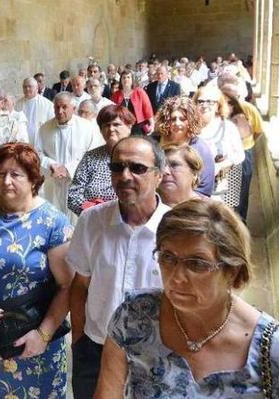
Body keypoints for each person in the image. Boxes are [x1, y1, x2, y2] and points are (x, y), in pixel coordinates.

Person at [95, 199, 279, 398]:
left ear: (232, 270)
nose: (177, 276)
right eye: (168, 258)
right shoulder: (134, 317)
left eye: (197, 264)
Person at [0, 143, 74, 398]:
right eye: (0, 174)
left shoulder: (52, 222)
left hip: (33, 339)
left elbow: (68, 286)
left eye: (16, 174)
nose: (6, 181)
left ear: (33, 180)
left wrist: (42, 335)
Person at [66, 136, 171, 399]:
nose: (125, 176)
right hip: (96, 350)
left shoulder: (175, 229)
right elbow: (79, 287)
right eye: (117, 167)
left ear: (159, 175)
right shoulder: (92, 221)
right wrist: (80, 340)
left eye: (137, 168)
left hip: (155, 355)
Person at [35, 92, 99, 222]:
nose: (60, 111)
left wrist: (68, 169)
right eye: (56, 107)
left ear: (73, 109)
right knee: (55, 221)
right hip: (53, 184)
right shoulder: (44, 128)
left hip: (78, 184)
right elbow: (37, 153)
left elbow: (92, 155)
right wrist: (50, 165)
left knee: (77, 223)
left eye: (64, 107)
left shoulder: (87, 128)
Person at [67, 105, 135, 215]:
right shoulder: (90, 157)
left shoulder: (139, 156)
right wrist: (97, 213)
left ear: (129, 127)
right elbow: (73, 195)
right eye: (106, 125)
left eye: (116, 124)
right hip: (95, 223)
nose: (111, 129)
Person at [154, 96, 216, 196]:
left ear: (191, 121)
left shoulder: (201, 149)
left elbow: (205, 189)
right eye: (173, 119)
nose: (177, 123)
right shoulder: (154, 142)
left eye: (182, 119)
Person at [220, 78, 264, 220]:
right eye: (224, 96)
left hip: (244, 154)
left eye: (231, 98)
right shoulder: (217, 111)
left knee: (242, 191)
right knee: (224, 194)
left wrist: (246, 145)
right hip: (223, 157)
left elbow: (258, 131)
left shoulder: (249, 109)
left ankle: (240, 221)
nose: (227, 101)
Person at [195, 86, 245, 208]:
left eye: (210, 102)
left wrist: (220, 165)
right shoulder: (190, 127)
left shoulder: (228, 127)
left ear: (218, 105)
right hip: (195, 188)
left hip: (222, 186)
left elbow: (240, 155)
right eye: (200, 101)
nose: (205, 105)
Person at [111, 70, 154, 135]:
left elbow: (147, 108)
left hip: (138, 126)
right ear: (121, 80)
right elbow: (112, 110)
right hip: (122, 126)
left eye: (128, 77)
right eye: (124, 77)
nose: (126, 79)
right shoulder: (116, 95)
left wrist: (152, 124)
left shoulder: (139, 92)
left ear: (132, 80)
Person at [18, 77, 54, 143]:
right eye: (25, 87)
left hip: (41, 141)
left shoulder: (47, 104)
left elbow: (52, 124)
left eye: (30, 86)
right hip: (23, 141)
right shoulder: (18, 104)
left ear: (36, 88)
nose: (27, 89)